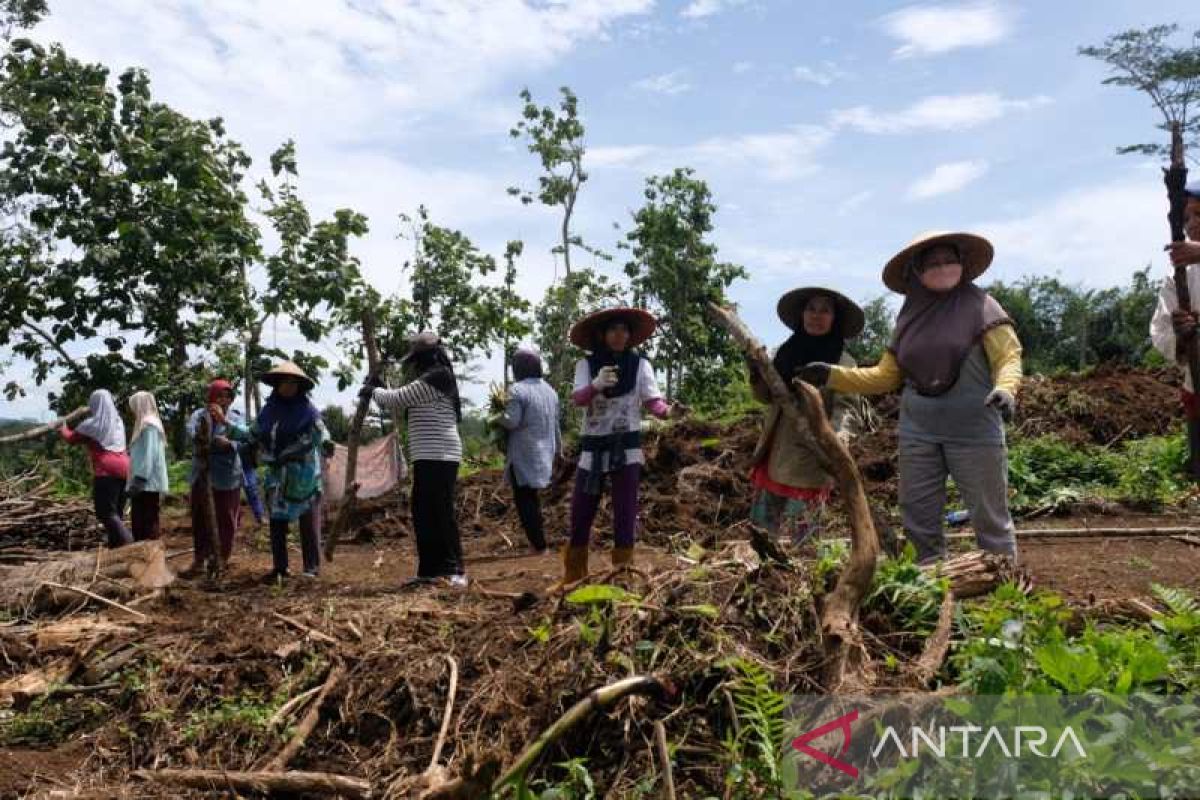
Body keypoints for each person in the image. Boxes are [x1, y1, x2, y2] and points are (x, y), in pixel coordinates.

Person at [801, 231, 1023, 564]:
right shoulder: (909, 318)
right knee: (919, 520)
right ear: (917, 271)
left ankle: (1006, 593)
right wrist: (832, 374)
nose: (942, 267)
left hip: (975, 430)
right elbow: (886, 376)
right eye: (932, 263)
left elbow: (1009, 356)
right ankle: (931, 589)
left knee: (990, 517)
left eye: (949, 260)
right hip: (919, 431)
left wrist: (1006, 388)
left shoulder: (982, 307)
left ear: (962, 264)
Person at [561, 307, 684, 585]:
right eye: (613, 329)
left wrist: (669, 412)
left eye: (624, 330)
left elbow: (653, 402)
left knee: (625, 510)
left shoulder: (640, 366)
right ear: (602, 335)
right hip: (593, 446)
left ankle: (623, 574)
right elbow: (578, 400)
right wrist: (595, 385)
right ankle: (573, 575)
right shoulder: (586, 365)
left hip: (626, 446)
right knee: (582, 509)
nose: (620, 335)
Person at [748, 288, 863, 544]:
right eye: (811, 308)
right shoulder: (784, 353)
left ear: (835, 319)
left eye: (825, 310)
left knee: (803, 540)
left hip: (812, 458)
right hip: (775, 450)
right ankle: (763, 577)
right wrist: (756, 372)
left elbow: (848, 409)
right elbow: (766, 397)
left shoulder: (843, 363)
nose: (816, 316)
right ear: (802, 314)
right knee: (762, 535)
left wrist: (836, 439)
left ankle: (801, 581)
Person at [365, 332, 467, 588]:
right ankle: (430, 570)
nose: (415, 364)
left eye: (417, 359)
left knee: (440, 512)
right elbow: (399, 396)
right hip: (428, 455)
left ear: (428, 357)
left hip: (440, 454)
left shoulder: (439, 376)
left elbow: (396, 400)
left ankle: (455, 569)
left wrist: (373, 390)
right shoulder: (431, 378)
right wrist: (377, 388)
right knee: (423, 512)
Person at [245, 361, 327, 581]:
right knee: (277, 522)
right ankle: (280, 567)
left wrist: (324, 444)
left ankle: (311, 568)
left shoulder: (308, 411)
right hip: (278, 476)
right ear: (277, 385)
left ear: (299, 386)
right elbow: (252, 433)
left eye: (293, 383)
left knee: (308, 522)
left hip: (305, 476)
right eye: (284, 382)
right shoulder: (269, 411)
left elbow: (321, 434)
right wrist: (230, 429)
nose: (288, 387)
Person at [1151, 178, 1200, 475]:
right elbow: (1161, 330)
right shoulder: (1177, 277)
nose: (1192, 223)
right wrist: (1183, 337)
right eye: (1187, 218)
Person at [497, 346, 561, 554]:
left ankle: (539, 545)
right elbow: (556, 425)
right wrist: (559, 450)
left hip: (523, 454)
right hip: (544, 452)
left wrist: (496, 417)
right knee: (532, 498)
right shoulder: (550, 390)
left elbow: (512, 421)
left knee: (525, 499)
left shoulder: (517, 390)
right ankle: (540, 542)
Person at [183, 379, 245, 574]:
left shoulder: (236, 418)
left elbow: (244, 440)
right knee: (200, 518)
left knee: (226, 519)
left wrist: (229, 444)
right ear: (211, 396)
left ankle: (221, 559)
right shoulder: (198, 415)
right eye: (219, 395)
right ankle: (199, 559)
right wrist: (207, 437)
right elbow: (192, 435)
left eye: (228, 396)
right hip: (202, 473)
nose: (223, 400)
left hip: (227, 475)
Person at [60, 389, 133, 548]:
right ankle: (117, 549)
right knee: (117, 513)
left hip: (107, 470)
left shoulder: (92, 424)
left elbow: (71, 438)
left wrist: (62, 427)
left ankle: (130, 544)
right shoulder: (118, 422)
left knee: (105, 512)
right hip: (126, 468)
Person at [126, 391, 169, 541]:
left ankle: (151, 556)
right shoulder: (145, 424)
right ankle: (145, 555)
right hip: (143, 481)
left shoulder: (149, 425)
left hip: (146, 482)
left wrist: (140, 478)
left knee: (147, 521)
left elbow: (149, 454)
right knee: (141, 521)